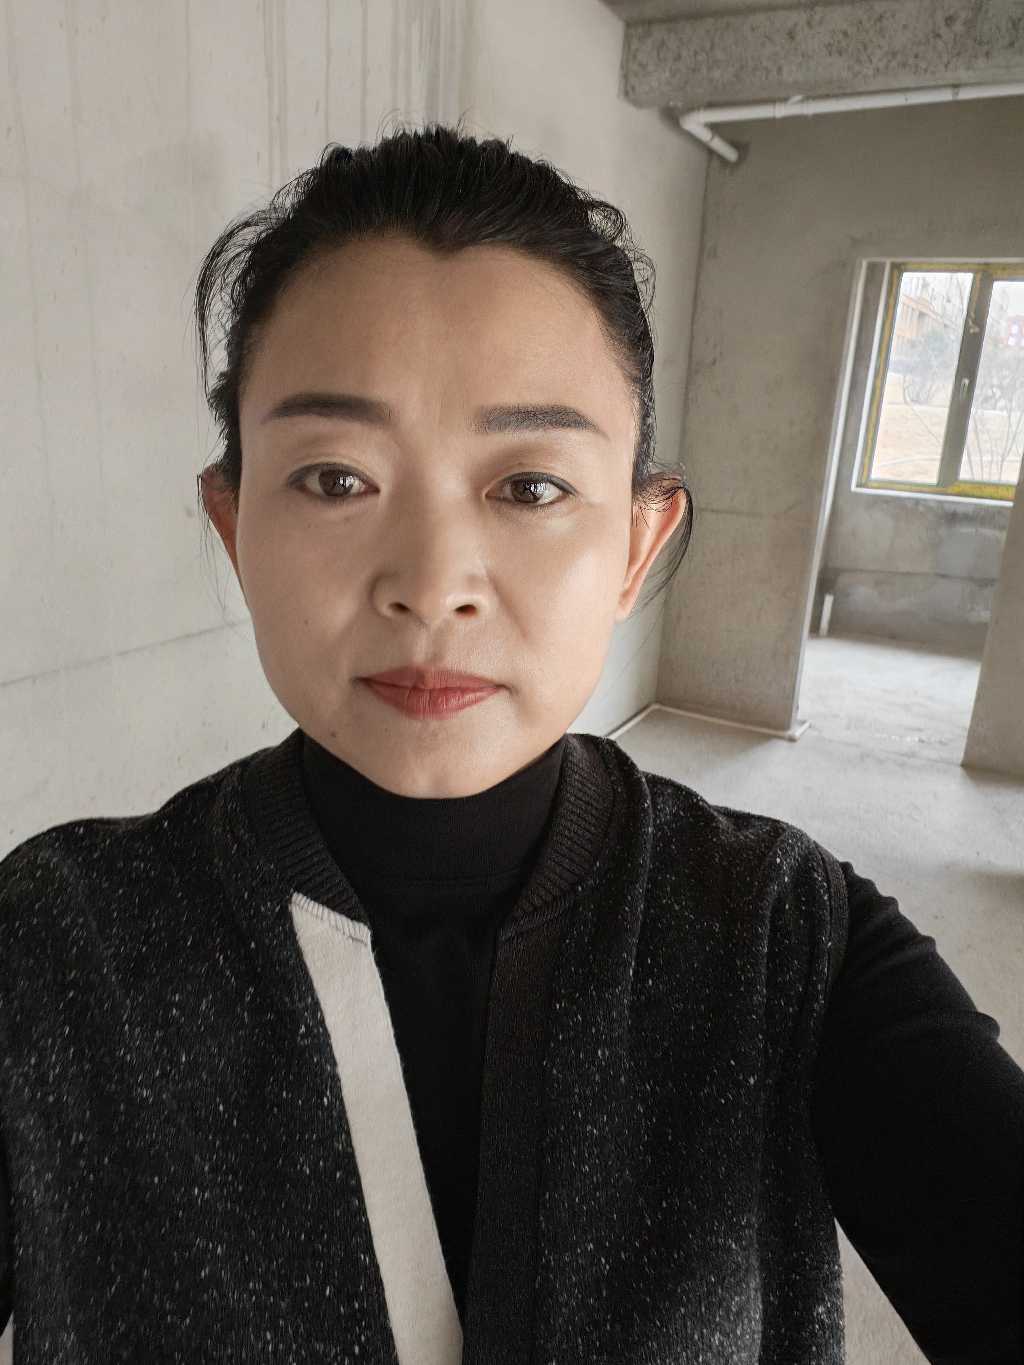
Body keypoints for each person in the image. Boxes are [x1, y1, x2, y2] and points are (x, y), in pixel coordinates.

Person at [0, 120, 1021, 1364]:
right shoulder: (57, 944)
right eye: (334, 478)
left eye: (530, 486)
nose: (433, 586)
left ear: (636, 548)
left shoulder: (779, 936)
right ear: (234, 526)